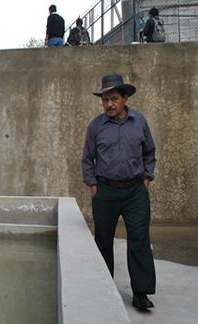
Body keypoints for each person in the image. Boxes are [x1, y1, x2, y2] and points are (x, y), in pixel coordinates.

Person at [81, 74, 157, 311]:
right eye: (105, 100)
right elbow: (87, 159)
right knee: (103, 240)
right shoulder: (96, 126)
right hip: (106, 192)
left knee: (139, 238)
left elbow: (150, 152)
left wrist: (146, 177)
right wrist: (93, 186)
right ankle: (105, 289)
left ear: (125, 99)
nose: (109, 105)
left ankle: (141, 293)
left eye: (113, 99)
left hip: (135, 191)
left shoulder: (139, 121)